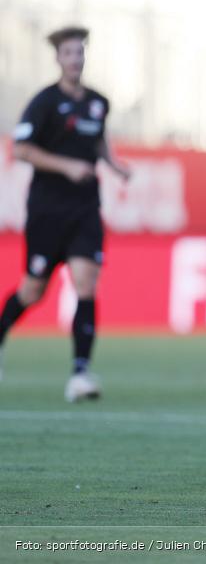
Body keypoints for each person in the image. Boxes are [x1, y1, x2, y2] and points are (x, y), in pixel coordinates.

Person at [0, 26, 130, 401]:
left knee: (86, 283)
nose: (75, 59)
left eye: (80, 52)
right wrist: (67, 166)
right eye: (69, 53)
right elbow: (21, 149)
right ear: (58, 58)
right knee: (33, 290)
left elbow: (97, 139)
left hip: (85, 208)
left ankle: (80, 374)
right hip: (47, 210)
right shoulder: (44, 102)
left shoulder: (98, 102)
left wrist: (114, 165)